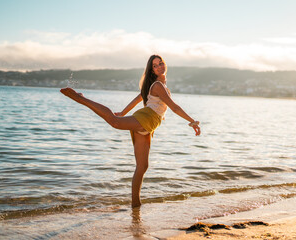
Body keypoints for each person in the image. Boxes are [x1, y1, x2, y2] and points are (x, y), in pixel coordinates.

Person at [60, 55, 201, 208]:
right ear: (152, 70)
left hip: (150, 125)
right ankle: (82, 99)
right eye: (155, 65)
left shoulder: (155, 85)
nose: (160, 66)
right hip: (146, 118)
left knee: (142, 166)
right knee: (115, 122)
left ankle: (135, 204)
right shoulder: (158, 85)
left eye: (161, 63)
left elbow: (137, 99)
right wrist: (191, 121)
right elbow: (174, 107)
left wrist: (123, 111)